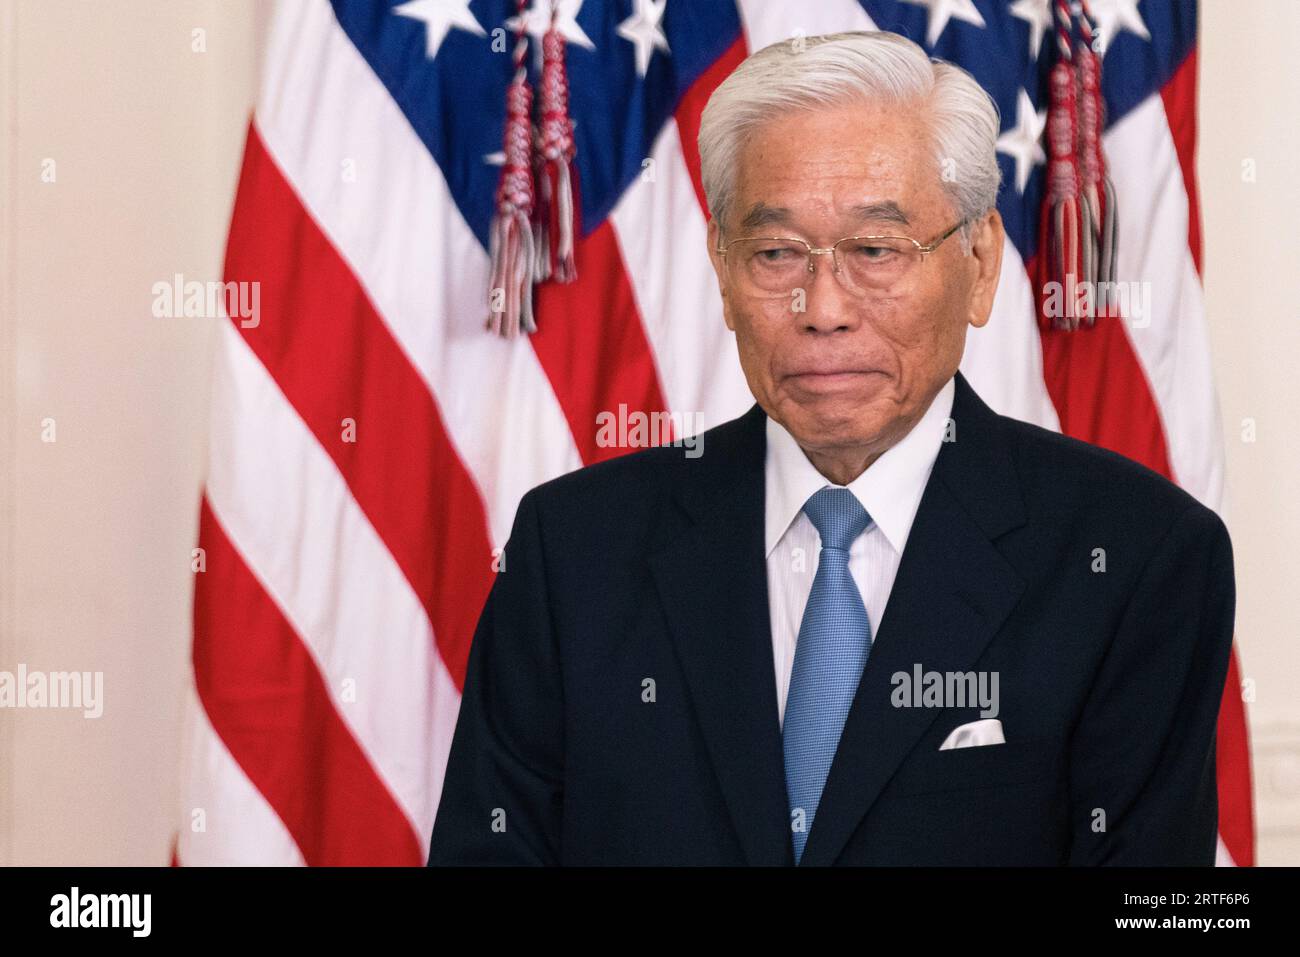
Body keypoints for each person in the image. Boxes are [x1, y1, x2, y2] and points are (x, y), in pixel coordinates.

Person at [427, 30, 1235, 866]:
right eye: (777, 253)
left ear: (982, 262)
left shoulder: (1139, 556)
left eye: (875, 251)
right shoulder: (573, 550)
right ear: (724, 269)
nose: (822, 307)